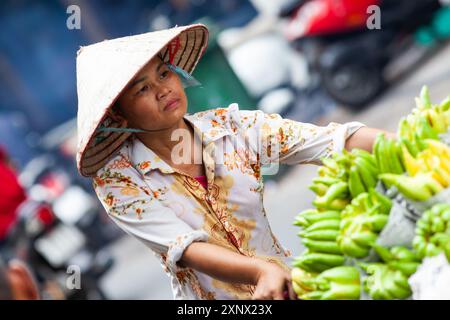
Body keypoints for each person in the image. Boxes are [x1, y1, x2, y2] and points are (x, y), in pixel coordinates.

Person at [75, 24, 394, 300]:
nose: (163, 89)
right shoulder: (119, 180)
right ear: (118, 114)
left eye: (164, 73)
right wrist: (260, 272)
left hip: (291, 288)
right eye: (143, 88)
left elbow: (332, 142)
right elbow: (185, 249)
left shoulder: (231, 128)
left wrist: (411, 144)